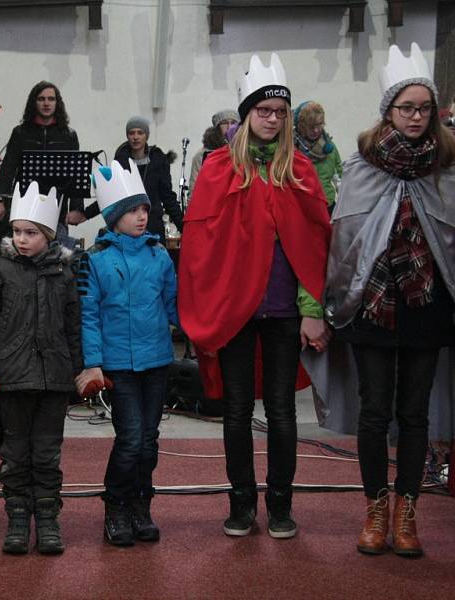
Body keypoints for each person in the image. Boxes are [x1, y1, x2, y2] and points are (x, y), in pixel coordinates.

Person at [178, 53, 331, 539]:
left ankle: (281, 505)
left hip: (286, 310)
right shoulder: (219, 168)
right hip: (237, 311)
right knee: (238, 409)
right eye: (263, 110)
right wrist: (209, 312)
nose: (271, 119)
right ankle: (242, 503)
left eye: (279, 112)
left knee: (283, 412)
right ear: (247, 114)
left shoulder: (301, 170)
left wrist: (313, 311)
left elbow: (314, 246)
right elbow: (203, 245)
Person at [323, 43, 455, 557]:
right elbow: (346, 235)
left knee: (415, 413)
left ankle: (408, 511)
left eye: (425, 108)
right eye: (407, 108)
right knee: (375, 412)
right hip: (372, 304)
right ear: (389, 112)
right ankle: (376, 508)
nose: (417, 117)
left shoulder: (446, 165)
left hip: (428, 305)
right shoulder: (361, 166)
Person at [0, 182, 82, 555]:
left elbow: (72, 326)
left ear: (48, 236)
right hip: (12, 378)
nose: (21, 239)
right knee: (15, 454)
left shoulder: (63, 274)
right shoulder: (0, 271)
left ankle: (47, 520)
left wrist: (78, 371)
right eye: (16, 231)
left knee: (47, 453)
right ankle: (18, 519)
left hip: (52, 380)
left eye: (30, 233)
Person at [75, 160, 178, 546]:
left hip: (156, 361)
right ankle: (116, 505)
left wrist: (204, 327)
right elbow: (89, 316)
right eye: (134, 210)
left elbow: (174, 305)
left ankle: (141, 504)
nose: (142, 216)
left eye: (145, 209)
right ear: (114, 216)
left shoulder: (159, 257)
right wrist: (93, 363)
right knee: (131, 437)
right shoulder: (95, 261)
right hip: (119, 365)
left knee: (149, 440)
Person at [0, 82, 85, 238]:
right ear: (34, 102)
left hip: (57, 208)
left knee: (56, 257)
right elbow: (7, 170)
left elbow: (76, 174)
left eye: (51, 99)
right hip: (25, 207)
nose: (46, 103)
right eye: (41, 99)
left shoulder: (68, 135)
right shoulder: (20, 133)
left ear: (57, 103)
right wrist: (0, 200)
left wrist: (76, 208)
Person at [84, 116, 183, 242]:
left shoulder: (158, 159)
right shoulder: (121, 159)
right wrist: (85, 214)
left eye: (140, 133)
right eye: (131, 133)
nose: (135, 137)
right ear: (127, 136)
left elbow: (168, 197)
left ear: (146, 136)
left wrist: (183, 227)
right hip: (127, 229)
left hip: (153, 225)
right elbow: (111, 195)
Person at [293, 101, 343, 213]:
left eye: (319, 125)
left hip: (329, 205)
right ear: (301, 126)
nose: (316, 130)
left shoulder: (329, 146)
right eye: (311, 127)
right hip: (304, 210)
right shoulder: (292, 151)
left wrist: (344, 199)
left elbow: (339, 174)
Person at [186, 109, 239, 201]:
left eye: (233, 123)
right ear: (217, 127)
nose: (229, 126)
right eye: (224, 123)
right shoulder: (202, 155)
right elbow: (195, 188)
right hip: (212, 203)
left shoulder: (244, 150)